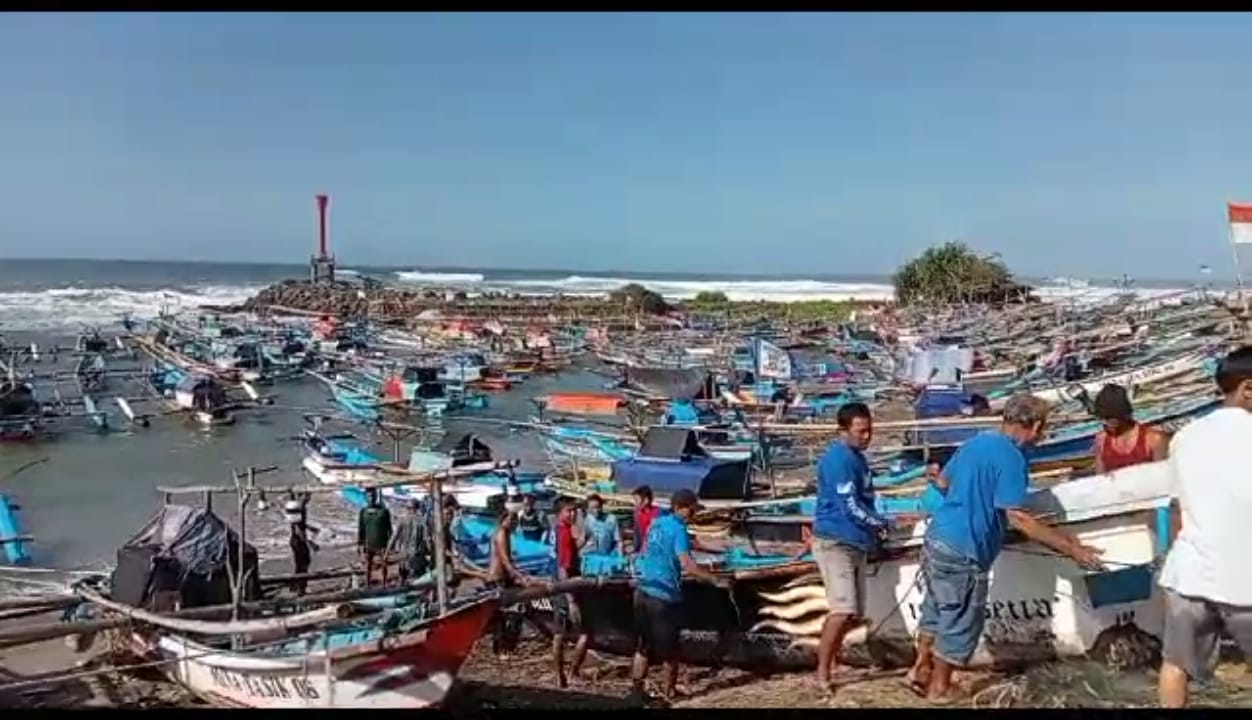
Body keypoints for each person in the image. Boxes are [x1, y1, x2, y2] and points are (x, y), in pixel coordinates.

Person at [905, 394, 1105, 703]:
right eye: (1043, 429)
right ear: (1035, 425)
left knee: (935, 609)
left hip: (937, 538)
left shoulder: (976, 442)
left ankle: (919, 669)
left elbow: (943, 483)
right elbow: (1018, 517)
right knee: (960, 619)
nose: (1042, 436)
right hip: (965, 548)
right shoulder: (1012, 458)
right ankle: (940, 688)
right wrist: (1070, 549)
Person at [1156, 347, 1252, 708]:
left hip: (1190, 575)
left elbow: (1179, 507)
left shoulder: (1185, 437)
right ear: (1248, 388)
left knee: (1176, 664)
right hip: (1245, 578)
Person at [793, 402, 889, 694]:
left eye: (869, 430)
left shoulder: (858, 459)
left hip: (856, 541)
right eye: (861, 431)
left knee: (854, 613)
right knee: (843, 610)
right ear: (843, 431)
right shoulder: (838, 460)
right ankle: (822, 672)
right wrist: (879, 522)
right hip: (836, 541)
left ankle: (830, 658)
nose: (867, 436)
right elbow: (849, 506)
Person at [630, 489, 725, 702]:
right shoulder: (679, 529)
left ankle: (636, 690)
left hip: (642, 589)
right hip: (662, 596)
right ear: (680, 508)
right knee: (671, 651)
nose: (693, 514)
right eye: (691, 509)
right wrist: (715, 579)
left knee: (643, 646)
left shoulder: (658, 522)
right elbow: (688, 565)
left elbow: (646, 550)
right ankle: (669, 693)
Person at [552, 498, 592, 688]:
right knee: (575, 633)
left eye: (574, 511)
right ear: (560, 513)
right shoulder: (564, 534)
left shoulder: (563, 531)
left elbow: (569, 555)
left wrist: (582, 540)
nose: (573, 514)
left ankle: (565, 674)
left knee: (565, 633)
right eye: (569, 511)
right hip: (567, 586)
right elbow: (563, 568)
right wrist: (571, 599)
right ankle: (566, 673)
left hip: (567, 584)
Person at [1091, 384, 1168, 474]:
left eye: (1109, 418)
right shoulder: (1101, 440)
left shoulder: (1154, 439)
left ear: (1123, 415)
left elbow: (1162, 478)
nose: (1106, 423)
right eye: (1103, 419)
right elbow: (1100, 480)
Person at [488, 507, 530, 655]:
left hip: (504, 577)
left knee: (508, 614)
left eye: (515, 520)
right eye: (511, 519)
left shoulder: (504, 533)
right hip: (498, 579)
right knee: (504, 615)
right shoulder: (501, 534)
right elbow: (505, 561)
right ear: (503, 519)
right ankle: (502, 649)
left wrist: (518, 574)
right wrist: (519, 577)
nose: (514, 523)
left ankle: (505, 647)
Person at [388, 497, 430, 585]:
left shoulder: (404, 520)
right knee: (414, 578)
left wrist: (387, 552)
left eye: (409, 508)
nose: (409, 510)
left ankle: (402, 593)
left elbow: (394, 537)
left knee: (404, 577)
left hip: (406, 553)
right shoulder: (421, 521)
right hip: (414, 553)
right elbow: (426, 539)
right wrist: (429, 552)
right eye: (408, 508)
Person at [357, 488, 392, 587]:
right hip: (368, 543)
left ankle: (384, 585)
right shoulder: (363, 512)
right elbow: (361, 528)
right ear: (366, 497)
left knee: (384, 564)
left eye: (372, 496)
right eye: (368, 496)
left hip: (382, 542)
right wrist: (359, 543)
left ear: (375, 496)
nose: (370, 498)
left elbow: (389, 528)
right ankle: (368, 585)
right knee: (368, 564)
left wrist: (390, 544)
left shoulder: (384, 511)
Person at [631, 486, 662, 556]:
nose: (634, 503)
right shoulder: (637, 514)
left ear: (646, 500)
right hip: (643, 549)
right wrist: (636, 550)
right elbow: (637, 535)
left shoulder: (658, 514)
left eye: (636, 500)